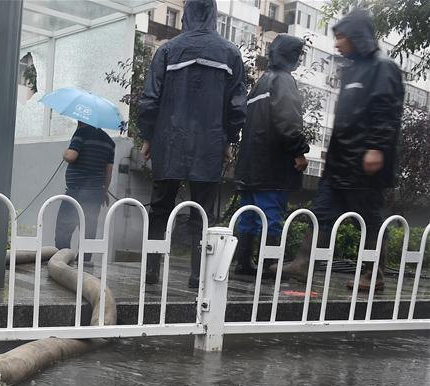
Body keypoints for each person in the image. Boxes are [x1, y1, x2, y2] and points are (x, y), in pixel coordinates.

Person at [280, 8, 403, 291]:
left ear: (357, 36)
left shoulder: (383, 68)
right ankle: (302, 263)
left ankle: (374, 275)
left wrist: (376, 148)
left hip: (365, 162)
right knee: (321, 211)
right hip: (339, 162)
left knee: (370, 219)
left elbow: (386, 110)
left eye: (340, 37)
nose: (336, 43)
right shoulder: (351, 70)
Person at [137, 0, 247, 288]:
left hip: (168, 139)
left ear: (186, 14)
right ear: (213, 14)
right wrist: (229, 140)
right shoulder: (230, 53)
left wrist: (148, 136)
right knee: (203, 212)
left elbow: (150, 99)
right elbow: (237, 106)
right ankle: (197, 276)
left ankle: (151, 271)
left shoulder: (167, 50)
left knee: (160, 208)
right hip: (210, 141)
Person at [233, 35, 309, 277]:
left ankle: (243, 263)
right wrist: (299, 152)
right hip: (272, 165)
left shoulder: (261, 82)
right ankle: (270, 267)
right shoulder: (284, 81)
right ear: (293, 56)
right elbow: (288, 120)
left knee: (249, 216)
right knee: (270, 218)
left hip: (249, 165)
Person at [54, 120, 115, 262]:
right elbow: (109, 171)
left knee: (63, 229)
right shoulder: (109, 141)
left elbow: (71, 156)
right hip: (95, 194)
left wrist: (65, 152)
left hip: (76, 192)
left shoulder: (81, 133)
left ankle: (62, 263)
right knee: (88, 231)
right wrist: (104, 191)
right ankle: (84, 264)